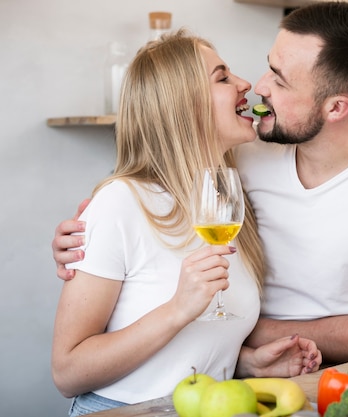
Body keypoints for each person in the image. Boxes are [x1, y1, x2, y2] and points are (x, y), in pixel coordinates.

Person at [52, 2, 348, 365]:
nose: (258, 85)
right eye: (268, 66)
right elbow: (152, 188)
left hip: (319, 374)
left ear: (335, 107)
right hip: (234, 370)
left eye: (279, 79)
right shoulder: (241, 154)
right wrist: (87, 240)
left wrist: (241, 328)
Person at [51, 30, 321, 417]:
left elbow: (183, 354)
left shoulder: (225, 202)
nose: (245, 84)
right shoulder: (120, 203)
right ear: (183, 105)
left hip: (209, 406)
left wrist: (248, 363)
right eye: (222, 77)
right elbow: (67, 372)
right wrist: (178, 309)